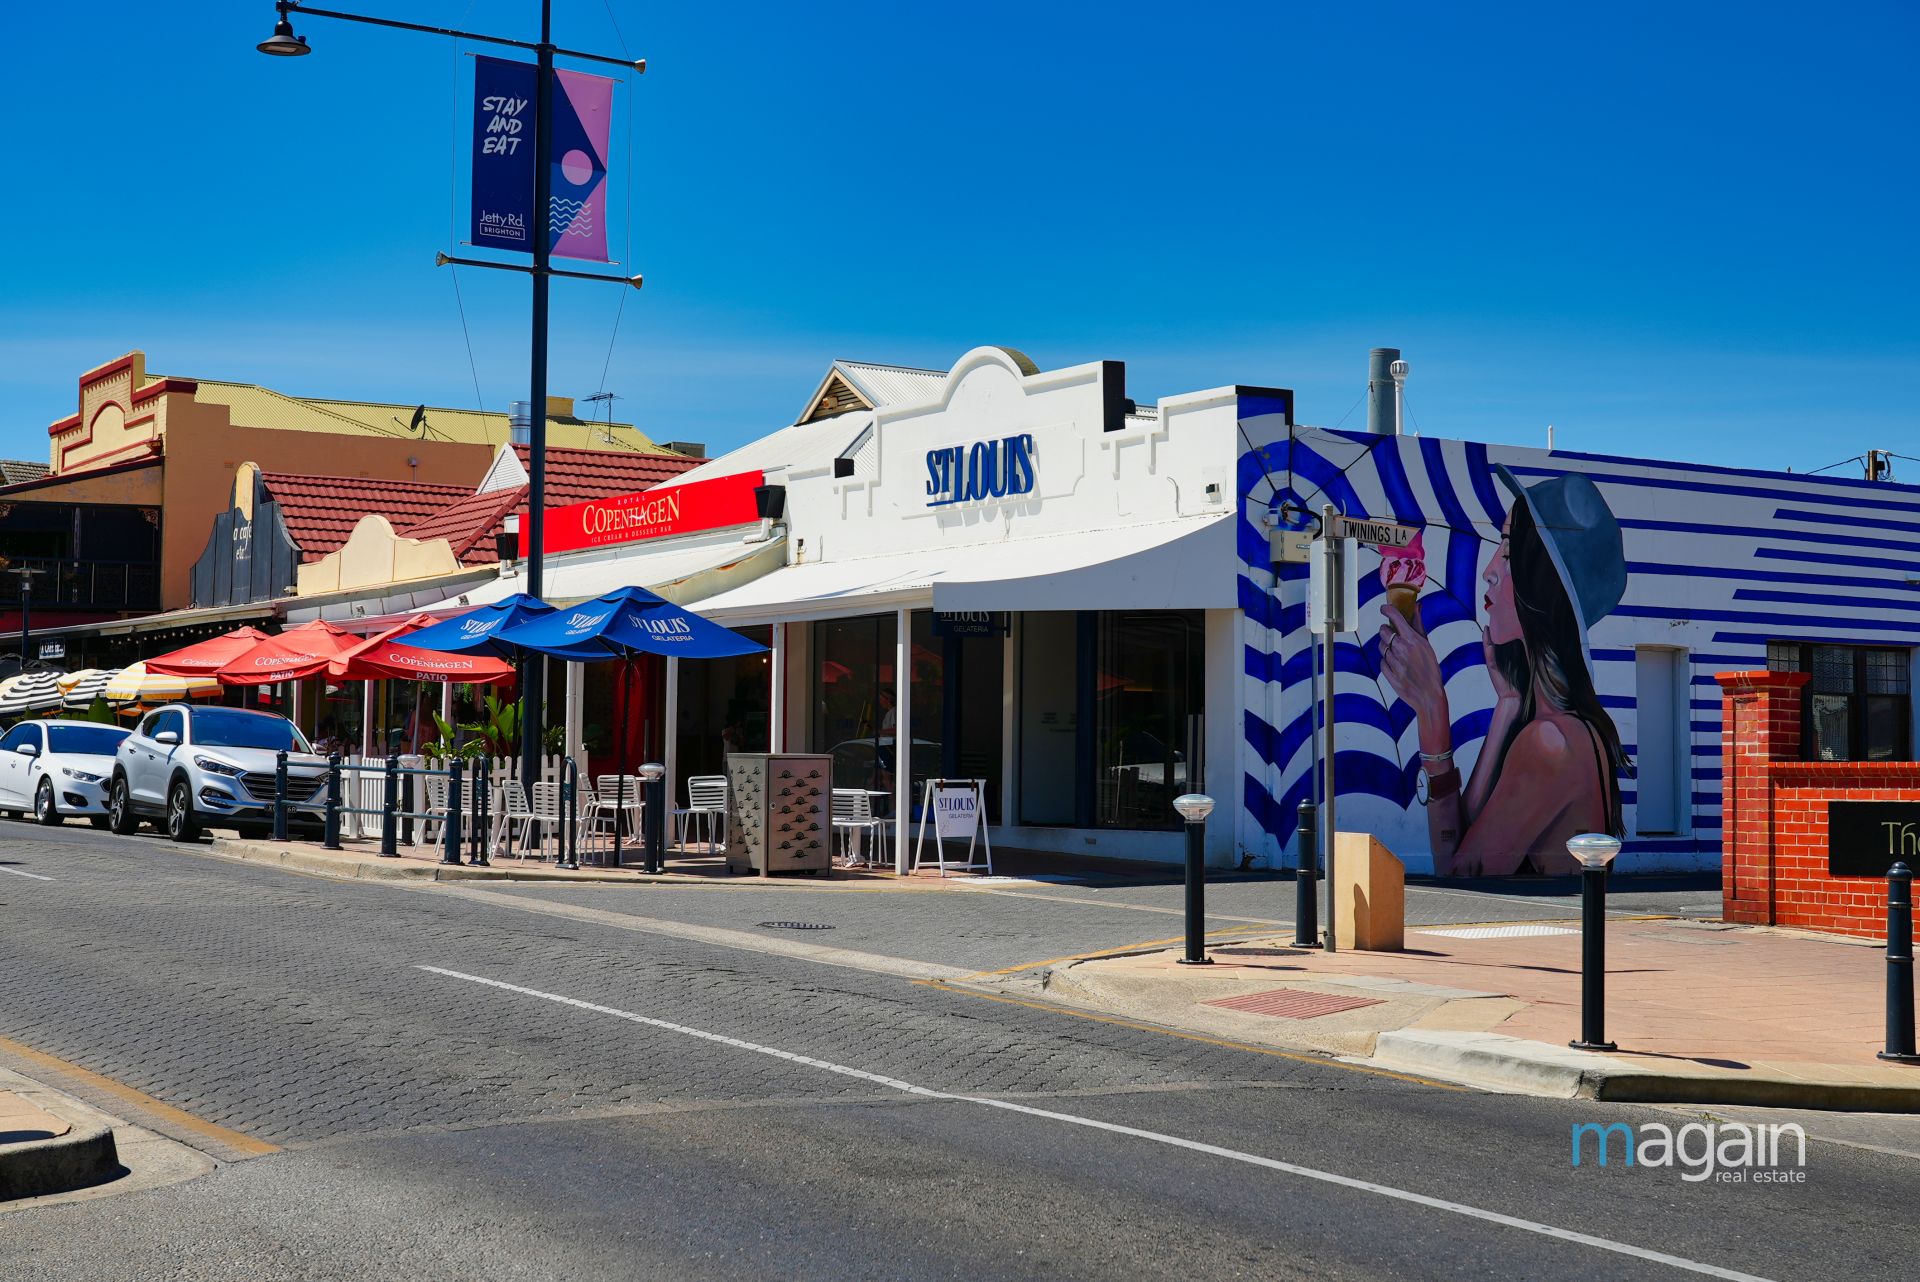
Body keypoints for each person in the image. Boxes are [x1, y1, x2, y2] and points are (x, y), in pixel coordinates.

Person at [1377, 467, 1631, 876]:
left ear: (1545, 585)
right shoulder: (1563, 726)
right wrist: (1508, 704)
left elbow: (1461, 878)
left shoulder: (1550, 742)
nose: (1489, 569)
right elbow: (1458, 844)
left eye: (1509, 553)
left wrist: (1433, 709)